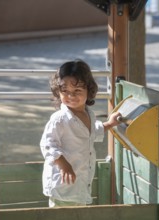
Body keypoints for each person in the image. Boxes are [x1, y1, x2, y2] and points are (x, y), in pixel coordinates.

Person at [40, 59, 121, 207]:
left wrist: (110, 124)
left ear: (88, 91)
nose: (70, 96)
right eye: (65, 91)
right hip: (62, 186)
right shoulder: (59, 119)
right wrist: (63, 164)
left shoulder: (89, 114)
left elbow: (90, 133)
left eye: (77, 91)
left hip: (81, 183)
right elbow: (47, 145)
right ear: (58, 91)